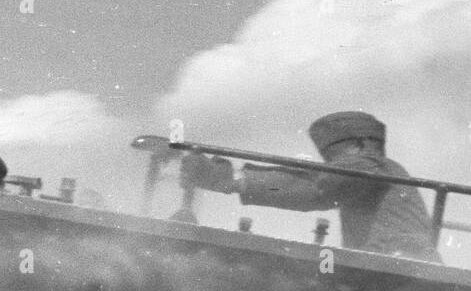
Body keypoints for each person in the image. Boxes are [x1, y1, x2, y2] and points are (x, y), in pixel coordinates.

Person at [182, 111, 440, 261]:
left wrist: (231, 180)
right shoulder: (382, 169)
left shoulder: (370, 165)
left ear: (362, 145)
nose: (330, 164)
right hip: (394, 266)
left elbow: (316, 189)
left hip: (400, 267)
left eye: (336, 155)